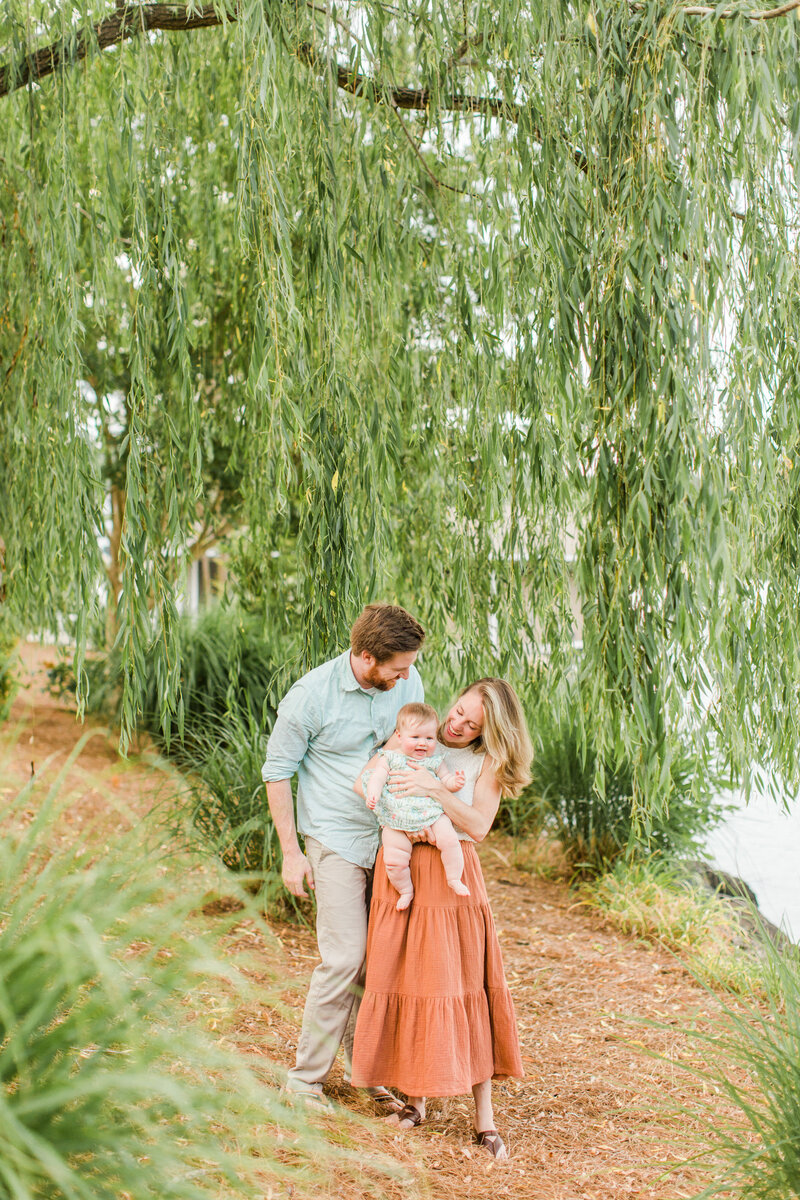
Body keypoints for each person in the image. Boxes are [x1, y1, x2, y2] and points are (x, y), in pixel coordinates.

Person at [351, 677, 533, 1159]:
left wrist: (435, 789)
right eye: (456, 712)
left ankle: (484, 1121)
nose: (455, 725)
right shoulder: (417, 732)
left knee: (463, 984)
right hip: (404, 869)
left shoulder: (487, 762)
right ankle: (416, 1103)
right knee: (412, 979)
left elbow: (478, 826)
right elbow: (371, 774)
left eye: (470, 723)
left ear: (489, 730)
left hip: (452, 877)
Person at [261, 603, 425, 1110]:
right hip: (333, 839)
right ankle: (305, 1079)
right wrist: (292, 853)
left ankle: (366, 1070)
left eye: (409, 669)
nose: (404, 680)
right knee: (345, 958)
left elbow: (413, 744)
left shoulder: (406, 680)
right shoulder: (311, 696)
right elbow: (277, 771)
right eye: (395, 670)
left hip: (392, 840)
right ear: (366, 656)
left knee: (381, 963)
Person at [362, 702, 469, 910]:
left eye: (429, 738)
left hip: (430, 814)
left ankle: (454, 877)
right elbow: (377, 777)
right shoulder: (390, 757)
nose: (423, 743)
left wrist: (454, 783)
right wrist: (374, 793)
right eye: (416, 737)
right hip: (395, 818)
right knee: (393, 859)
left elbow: (445, 780)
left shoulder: (434, 762)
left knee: (450, 840)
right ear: (399, 736)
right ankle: (405, 890)